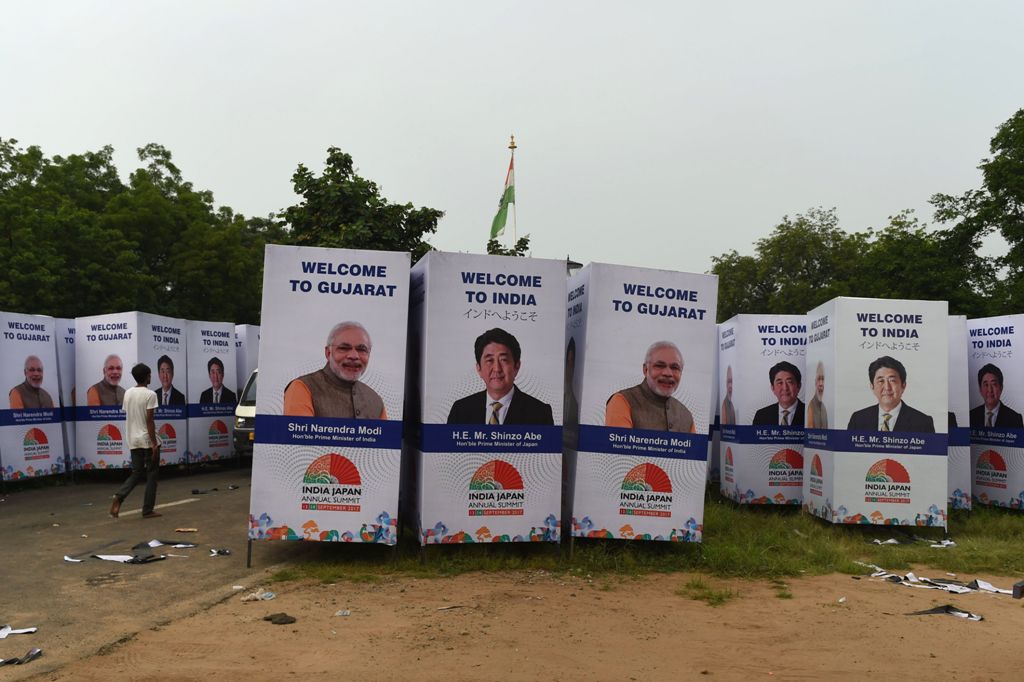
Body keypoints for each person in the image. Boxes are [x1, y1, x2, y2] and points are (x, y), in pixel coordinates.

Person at [447, 327, 553, 425]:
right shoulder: (460, 410)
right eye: (489, 360)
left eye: (504, 360)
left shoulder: (540, 413)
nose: (497, 368)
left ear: (516, 366)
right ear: (479, 368)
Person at [284, 321, 387, 419]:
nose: (354, 356)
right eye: (344, 348)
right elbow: (299, 436)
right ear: (328, 353)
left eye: (361, 349)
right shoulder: (302, 388)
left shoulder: (375, 400)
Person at [605, 341, 696, 433]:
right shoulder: (622, 401)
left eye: (675, 367)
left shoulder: (686, 415)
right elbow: (619, 446)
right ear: (645, 370)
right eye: (659, 366)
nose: (668, 373)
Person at [109, 363, 162, 519]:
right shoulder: (150, 394)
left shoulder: (128, 393)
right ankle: (147, 509)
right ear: (147, 377)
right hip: (146, 439)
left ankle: (119, 496)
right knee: (152, 474)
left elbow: (130, 415)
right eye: (150, 375)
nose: (151, 377)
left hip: (132, 439)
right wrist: (154, 443)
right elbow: (149, 420)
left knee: (136, 473)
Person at [847, 356, 934, 433]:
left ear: (903, 386)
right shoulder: (858, 419)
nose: (887, 387)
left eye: (892, 380)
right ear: (872, 386)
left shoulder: (923, 423)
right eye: (881, 381)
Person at [969, 363, 1024, 428]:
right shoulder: (971, 415)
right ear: (980, 389)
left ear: (1001, 388)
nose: (990, 390)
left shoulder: (1015, 419)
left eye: (994, 384)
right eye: (986, 385)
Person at [752, 361, 805, 426]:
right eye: (780, 383)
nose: (785, 388)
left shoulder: (810, 413)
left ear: (799, 386)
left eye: (789, 382)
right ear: (773, 388)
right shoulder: (761, 416)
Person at [806, 361, 829, 429]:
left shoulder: (824, 407)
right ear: (814, 382)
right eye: (819, 379)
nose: (821, 384)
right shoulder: (811, 406)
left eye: (823, 379)